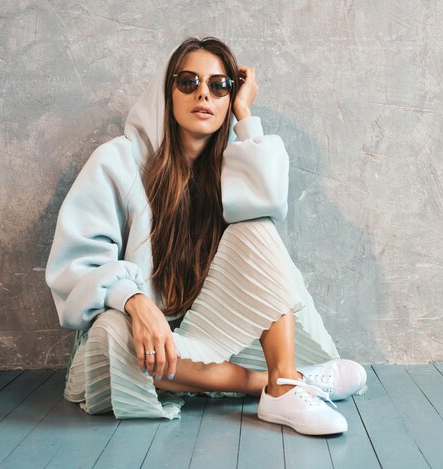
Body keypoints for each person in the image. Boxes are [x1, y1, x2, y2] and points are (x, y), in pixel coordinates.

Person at [45, 36, 367, 436]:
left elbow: (267, 209)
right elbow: (76, 265)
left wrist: (245, 113)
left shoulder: (230, 167)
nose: (203, 93)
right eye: (188, 82)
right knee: (115, 337)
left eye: (219, 86)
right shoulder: (118, 160)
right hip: (136, 334)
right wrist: (134, 301)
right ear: (168, 91)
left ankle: (282, 383)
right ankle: (287, 382)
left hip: (207, 333)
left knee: (255, 225)